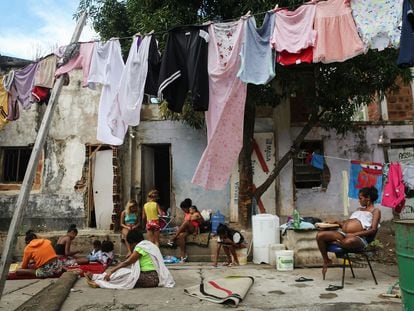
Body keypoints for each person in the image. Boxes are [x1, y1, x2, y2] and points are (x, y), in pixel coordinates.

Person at [316, 186, 381, 279]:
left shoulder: (375, 211)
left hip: (359, 238)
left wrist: (354, 234)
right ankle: (326, 260)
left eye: (360, 198)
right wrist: (337, 222)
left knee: (349, 241)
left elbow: (373, 229)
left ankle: (335, 242)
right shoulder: (359, 210)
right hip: (344, 235)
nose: (359, 201)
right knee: (320, 236)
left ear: (368, 198)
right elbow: (348, 224)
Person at [85, 230, 175, 289]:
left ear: (133, 242)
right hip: (153, 277)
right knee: (123, 273)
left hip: (149, 278)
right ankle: (95, 276)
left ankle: (99, 283)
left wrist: (111, 271)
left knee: (123, 277)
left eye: (130, 244)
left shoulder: (141, 247)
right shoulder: (148, 245)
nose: (131, 247)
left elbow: (127, 262)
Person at [167, 198, 200, 262]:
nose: (183, 211)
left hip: (193, 229)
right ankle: (183, 256)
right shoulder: (187, 213)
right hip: (187, 230)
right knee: (181, 236)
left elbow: (199, 221)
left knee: (186, 222)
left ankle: (173, 238)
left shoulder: (194, 212)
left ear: (187, 207)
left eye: (184, 209)